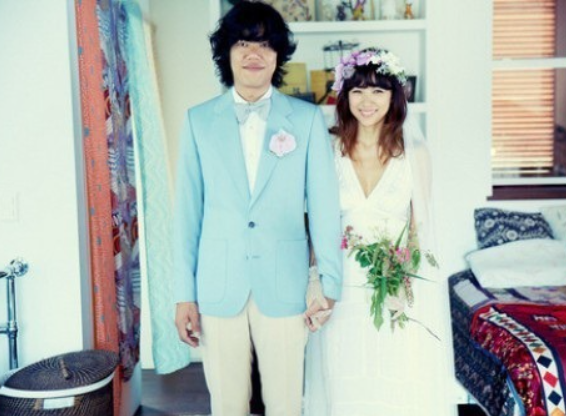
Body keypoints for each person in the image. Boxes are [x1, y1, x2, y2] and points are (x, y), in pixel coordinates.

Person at [172, 2, 342, 416]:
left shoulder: (306, 120)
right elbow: (187, 215)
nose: (254, 54)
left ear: (278, 55)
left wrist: (329, 284)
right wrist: (183, 295)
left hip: (285, 284)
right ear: (226, 52)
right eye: (243, 43)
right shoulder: (198, 121)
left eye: (265, 44)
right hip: (218, 284)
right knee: (227, 404)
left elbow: (324, 207)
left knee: (285, 403)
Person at [303, 48, 449, 415]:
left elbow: (419, 228)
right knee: (344, 381)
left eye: (378, 91)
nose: (367, 101)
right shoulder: (329, 149)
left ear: (394, 96)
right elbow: (318, 222)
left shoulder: (415, 153)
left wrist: (407, 283)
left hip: (394, 285)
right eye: (357, 91)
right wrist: (315, 279)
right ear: (345, 95)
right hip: (340, 285)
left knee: (394, 381)